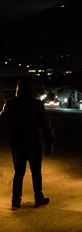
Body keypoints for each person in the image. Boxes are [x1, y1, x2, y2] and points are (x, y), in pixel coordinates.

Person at [0, 78, 54, 210]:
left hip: (17, 143)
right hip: (33, 142)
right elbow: (45, 125)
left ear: (18, 89)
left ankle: (16, 201)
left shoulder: (10, 104)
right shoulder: (37, 104)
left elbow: (1, 121)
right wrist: (49, 142)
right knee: (36, 171)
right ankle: (38, 198)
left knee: (19, 172)